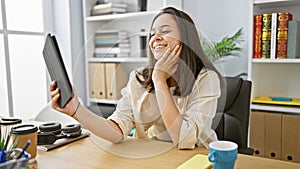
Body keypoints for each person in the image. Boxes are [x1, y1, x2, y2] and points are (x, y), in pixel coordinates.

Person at [50, 7, 223, 149]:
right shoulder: (139, 78)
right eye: (153, 34)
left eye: (165, 31)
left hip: (197, 158)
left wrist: (160, 81)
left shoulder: (206, 79)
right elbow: (116, 131)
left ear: (186, 40)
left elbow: (183, 139)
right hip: (152, 158)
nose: (156, 38)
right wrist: (76, 109)